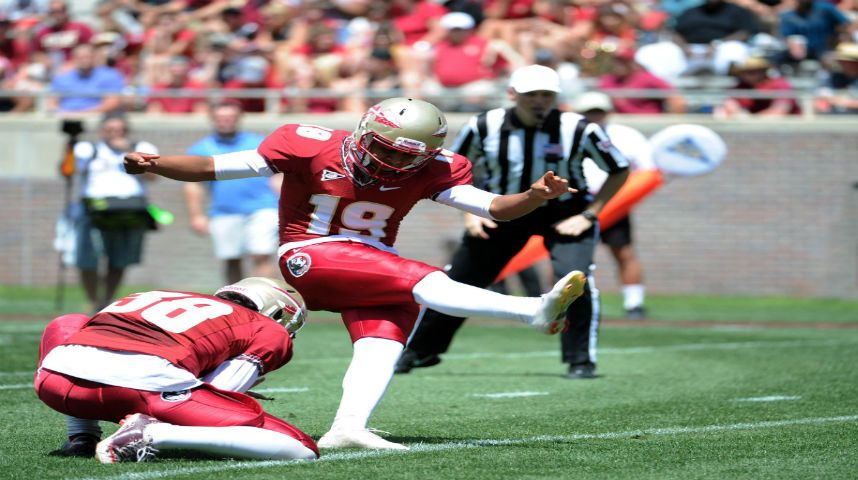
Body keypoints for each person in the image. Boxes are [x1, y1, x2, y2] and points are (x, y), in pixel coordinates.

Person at [122, 96, 587, 450]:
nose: (399, 164)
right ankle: (530, 310)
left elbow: (494, 208)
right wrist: (156, 165)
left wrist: (534, 197)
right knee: (425, 279)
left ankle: (348, 427)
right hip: (311, 250)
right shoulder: (307, 145)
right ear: (365, 130)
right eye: (391, 151)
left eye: (411, 157)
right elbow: (210, 167)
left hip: (371, 263)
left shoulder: (437, 168)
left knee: (381, 343)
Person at [396, 65, 630, 380]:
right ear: (512, 95)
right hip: (505, 210)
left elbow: (619, 168)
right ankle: (419, 350)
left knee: (574, 281)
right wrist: (470, 214)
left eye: (546, 95)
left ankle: (580, 360)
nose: (539, 101)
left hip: (566, 213)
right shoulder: (484, 125)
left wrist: (588, 215)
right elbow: (451, 169)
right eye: (531, 94)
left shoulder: (580, 128)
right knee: (459, 281)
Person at [35, 277, 318, 463]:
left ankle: (81, 435)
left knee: (70, 323)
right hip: (139, 389)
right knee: (302, 448)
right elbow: (223, 390)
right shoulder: (268, 328)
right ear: (278, 312)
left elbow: (73, 329)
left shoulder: (155, 293)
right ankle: (150, 434)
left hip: (53, 382)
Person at [573, 92, 654, 319]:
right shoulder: (568, 134)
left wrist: (627, 195)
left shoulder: (627, 136)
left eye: (598, 111)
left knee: (623, 251)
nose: (594, 116)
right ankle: (560, 302)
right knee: (566, 252)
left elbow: (646, 169)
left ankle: (634, 303)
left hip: (613, 201)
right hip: (577, 201)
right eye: (589, 112)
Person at [184, 101, 279, 284]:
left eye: (230, 117)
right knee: (231, 259)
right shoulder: (201, 149)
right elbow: (194, 185)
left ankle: (266, 303)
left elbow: (277, 176)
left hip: (263, 207)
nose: (226, 121)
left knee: (261, 254)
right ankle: (237, 304)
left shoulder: (259, 144)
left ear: (239, 118)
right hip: (224, 211)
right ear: (212, 119)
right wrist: (196, 215)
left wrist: (285, 205)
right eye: (221, 118)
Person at [72, 111, 158, 312]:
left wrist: (129, 151)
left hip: (130, 210)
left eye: (119, 130)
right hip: (95, 210)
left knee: (120, 259)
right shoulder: (88, 149)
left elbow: (154, 177)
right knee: (88, 258)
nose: (115, 134)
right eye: (110, 130)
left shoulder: (141, 148)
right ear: (101, 131)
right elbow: (69, 169)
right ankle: (93, 300)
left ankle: (107, 300)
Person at [48, 43, 126, 114]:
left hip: (97, 118)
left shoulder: (110, 75)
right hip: (65, 118)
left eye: (87, 57)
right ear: (74, 59)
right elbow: (52, 102)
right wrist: (64, 113)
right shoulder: (62, 78)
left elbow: (113, 102)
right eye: (80, 57)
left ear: (95, 57)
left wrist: (80, 114)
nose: (84, 60)